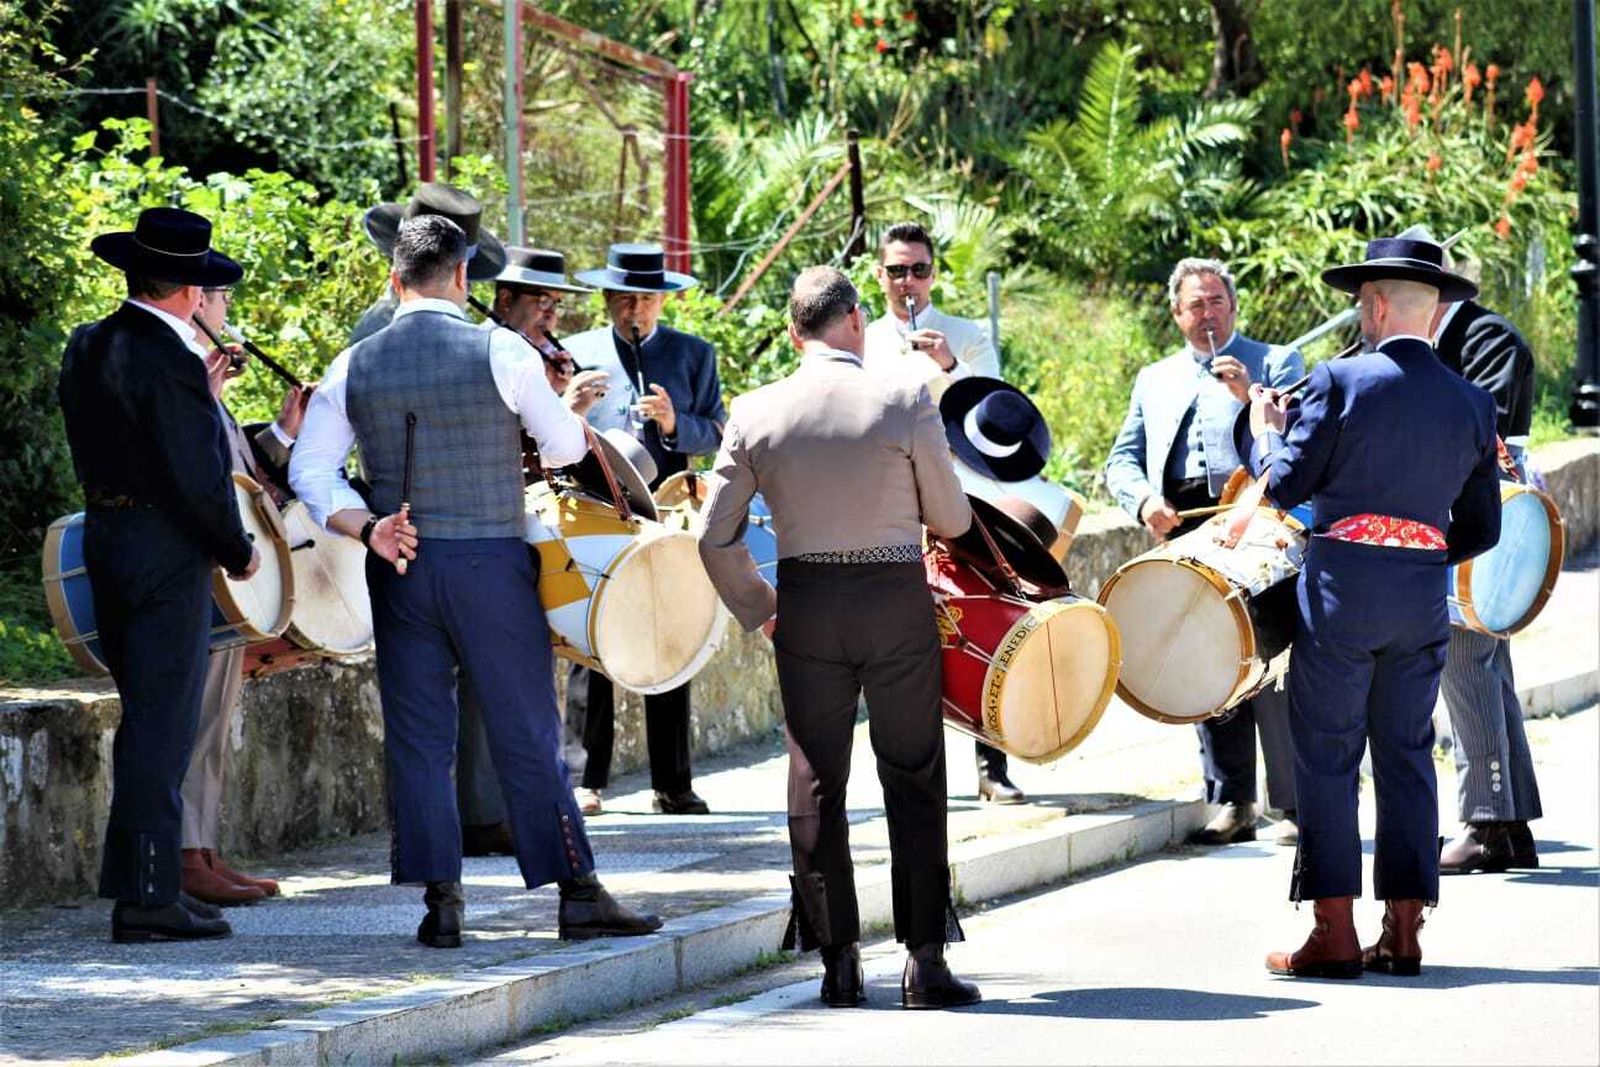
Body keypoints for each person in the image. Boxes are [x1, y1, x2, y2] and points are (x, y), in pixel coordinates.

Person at [288, 215, 660, 947]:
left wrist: (368, 527)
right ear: (462, 277)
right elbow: (560, 444)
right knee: (527, 728)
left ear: (395, 280)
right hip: (490, 559)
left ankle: (443, 902)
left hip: (400, 564)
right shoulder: (502, 350)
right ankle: (577, 892)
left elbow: (309, 471)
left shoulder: (351, 363)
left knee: (422, 738)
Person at [699, 265, 981, 1010]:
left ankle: (839, 963)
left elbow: (713, 538)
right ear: (856, 319)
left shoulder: (757, 410)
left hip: (807, 604)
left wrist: (762, 607)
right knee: (913, 773)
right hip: (894, 598)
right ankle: (925, 962)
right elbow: (950, 521)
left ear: (795, 333)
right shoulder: (905, 394)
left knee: (815, 780)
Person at [1249, 233, 1501, 978]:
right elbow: (1482, 526)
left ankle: (1331, 931)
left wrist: (1268, 434)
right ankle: (1402, 930)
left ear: (1379, 304)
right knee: (1407, 754)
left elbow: (1286, 486)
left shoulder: (1338, 381)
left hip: (1340, 594)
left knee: (1327, 754)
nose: (1360, 314)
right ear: (1432, 313)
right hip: (1421, 596)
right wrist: (1412, 551)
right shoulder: (1471, 403)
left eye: (1363, 303)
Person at [59, 207, 260, 942]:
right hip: (165, 549)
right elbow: (194, 475)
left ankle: (149, 881)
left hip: (107, 536)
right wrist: (237, 548)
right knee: (163, 725)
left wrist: (200, 404)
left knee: (147, 718)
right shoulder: (171, 357)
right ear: (187, 288)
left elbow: (124, 438)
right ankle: (148, 898)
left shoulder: (89, 343)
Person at [1104, 257, 1302, 845]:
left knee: (1269, 657)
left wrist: (1249, 398)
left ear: (1234, 307)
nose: (1208, 313)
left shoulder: (1278, 361)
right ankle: (1230, 799)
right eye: (1196, 304)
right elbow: (1122, 458)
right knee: (1205, 657)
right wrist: (1143, 502)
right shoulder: (1154, 377)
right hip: (1185, 526)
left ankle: (1290, 803)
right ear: (1176, 313)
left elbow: (1303, 441)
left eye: (1217, 301)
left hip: (1258, 522)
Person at [345, 183, 517, 858]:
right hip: (414, 525)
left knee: (453, 683)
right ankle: (445, 823)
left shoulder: (458, 332)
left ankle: (467, 816)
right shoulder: (380, 331)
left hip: (432, 524)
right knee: (425, 693)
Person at [561, 243, 727, 817]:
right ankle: (586, 779)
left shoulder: (693, 355)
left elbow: (719, 433)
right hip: (593, 512)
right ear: (607, 300)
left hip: (667, 515)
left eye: (647, 299)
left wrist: (676, 423)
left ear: (663, 301)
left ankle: (673, 783)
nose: (636, 309)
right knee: (591, 641)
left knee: (670, 634)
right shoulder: (576, 353)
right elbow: (544, 429)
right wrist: (571, 407)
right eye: (626, 298)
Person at [862, 220, 1020, 805]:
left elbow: (999, 411)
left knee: (984, 620)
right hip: (887, 499)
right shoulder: (864, 337)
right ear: (880, 276)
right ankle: (912, 769)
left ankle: (993, 764)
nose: (909, 282)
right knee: (901, 633)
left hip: (959, 493)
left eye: (919, 270)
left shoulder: (966, 334)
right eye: (897, 270)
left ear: (933, 275)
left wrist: (952, 367)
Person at [179, 283, 311, 905]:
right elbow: (193, 467)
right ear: (195, 298)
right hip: (197, 572)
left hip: (225, 579)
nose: (229, 309)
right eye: (223, 296)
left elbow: (241, 467)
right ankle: (183, 856)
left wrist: (284, 430)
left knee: (214, 719)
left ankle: (202, 849)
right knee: (193, 719)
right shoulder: (179, 369)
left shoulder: (200, 374)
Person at [1421, 238, 1543, 874]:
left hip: (1483, 520)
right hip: (1470, 517)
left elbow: (1478, 427)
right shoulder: (1423, 343)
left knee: (1465, 661)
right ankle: (1512, 824)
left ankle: (1486, 820)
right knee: (1487, 670)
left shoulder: (1488, 337)